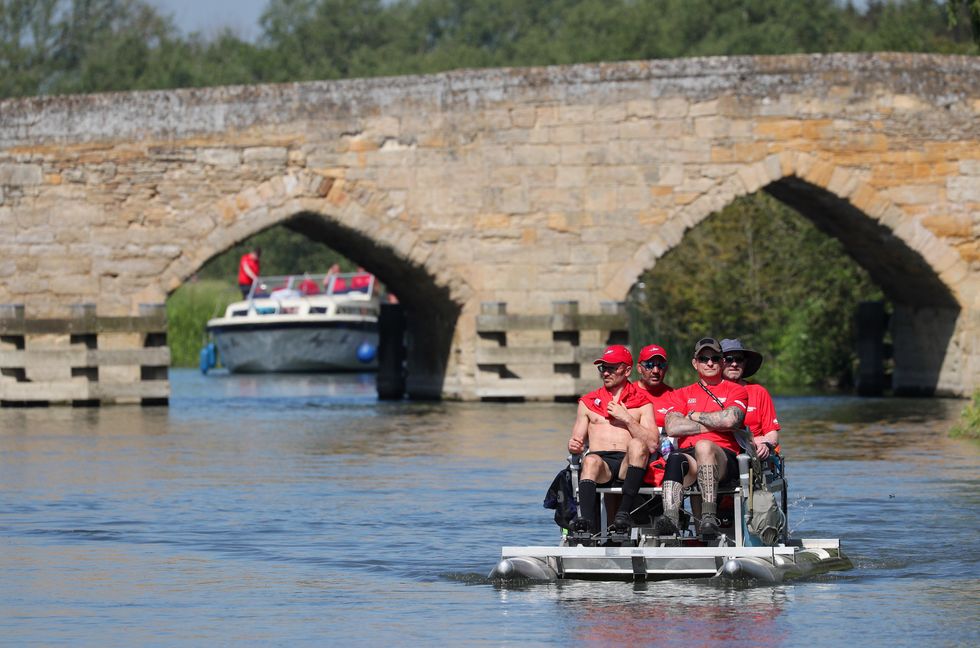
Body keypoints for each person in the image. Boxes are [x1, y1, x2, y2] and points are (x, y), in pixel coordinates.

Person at [656, 337, 749, 541]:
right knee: (674, 458)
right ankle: (670, 519)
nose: (709, 363)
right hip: (692, 458)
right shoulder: (681, 394)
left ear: (722, 362)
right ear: (695, 362)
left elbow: (731, 419)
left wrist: (694, 415)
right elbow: (672, 427)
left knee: (704, 445)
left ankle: (709, 517)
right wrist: (714, 420)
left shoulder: (737, 390)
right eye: (703, 358)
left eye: (715, 358)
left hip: (725, 457)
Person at [567, 345, 657, 540]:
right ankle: (587, 527)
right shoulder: (588, 401)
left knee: (638, 444)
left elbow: (652, 444)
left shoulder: (642, 402)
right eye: (603, 368)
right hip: (601, 465)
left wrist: (626, 418)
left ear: (626, 370)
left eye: (612, 368)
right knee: (590, 460)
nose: (606, 372)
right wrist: (574, 445)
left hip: (629, 463)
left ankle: (623, 514)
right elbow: (576, 440)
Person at [720, 338, 780, 460]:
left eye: (739, 359)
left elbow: (772, 433)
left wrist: (765, 443)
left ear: (745, 363)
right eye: (729, 359)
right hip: (723, 452)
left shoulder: (759, 391)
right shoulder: (709, 391)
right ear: (719, 362)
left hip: (755, 454)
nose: (734, 364)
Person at [634, 343, 674, 432]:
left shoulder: (675, 395)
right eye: (649, 365)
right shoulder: (627, 393)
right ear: (639, 368)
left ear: (666, 368)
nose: (655, 371)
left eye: (661, 365)